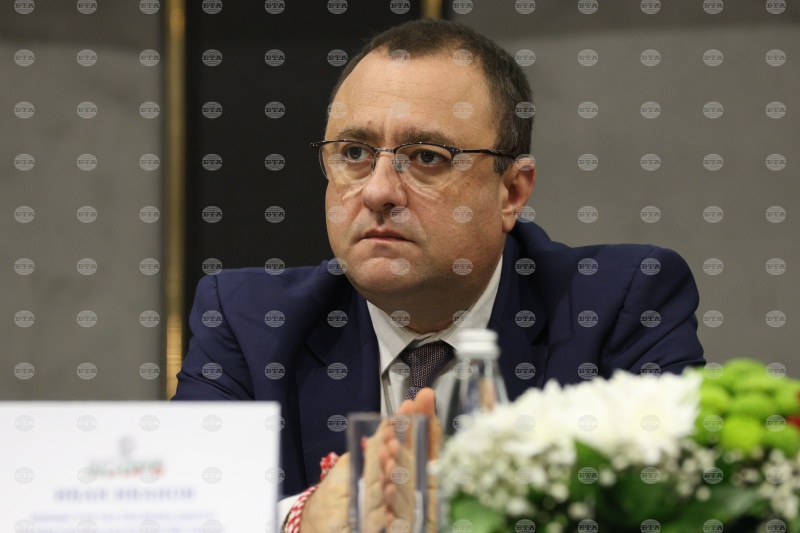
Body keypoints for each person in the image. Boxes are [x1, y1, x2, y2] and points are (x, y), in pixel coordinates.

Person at [173, 18, 705, 531]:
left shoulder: (619, 306)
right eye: (354, 153)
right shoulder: (250, 322)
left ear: (511, 191)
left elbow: (676, 511)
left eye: (427, 157)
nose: (378, 191)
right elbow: (186, 516)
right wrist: (305, 521)